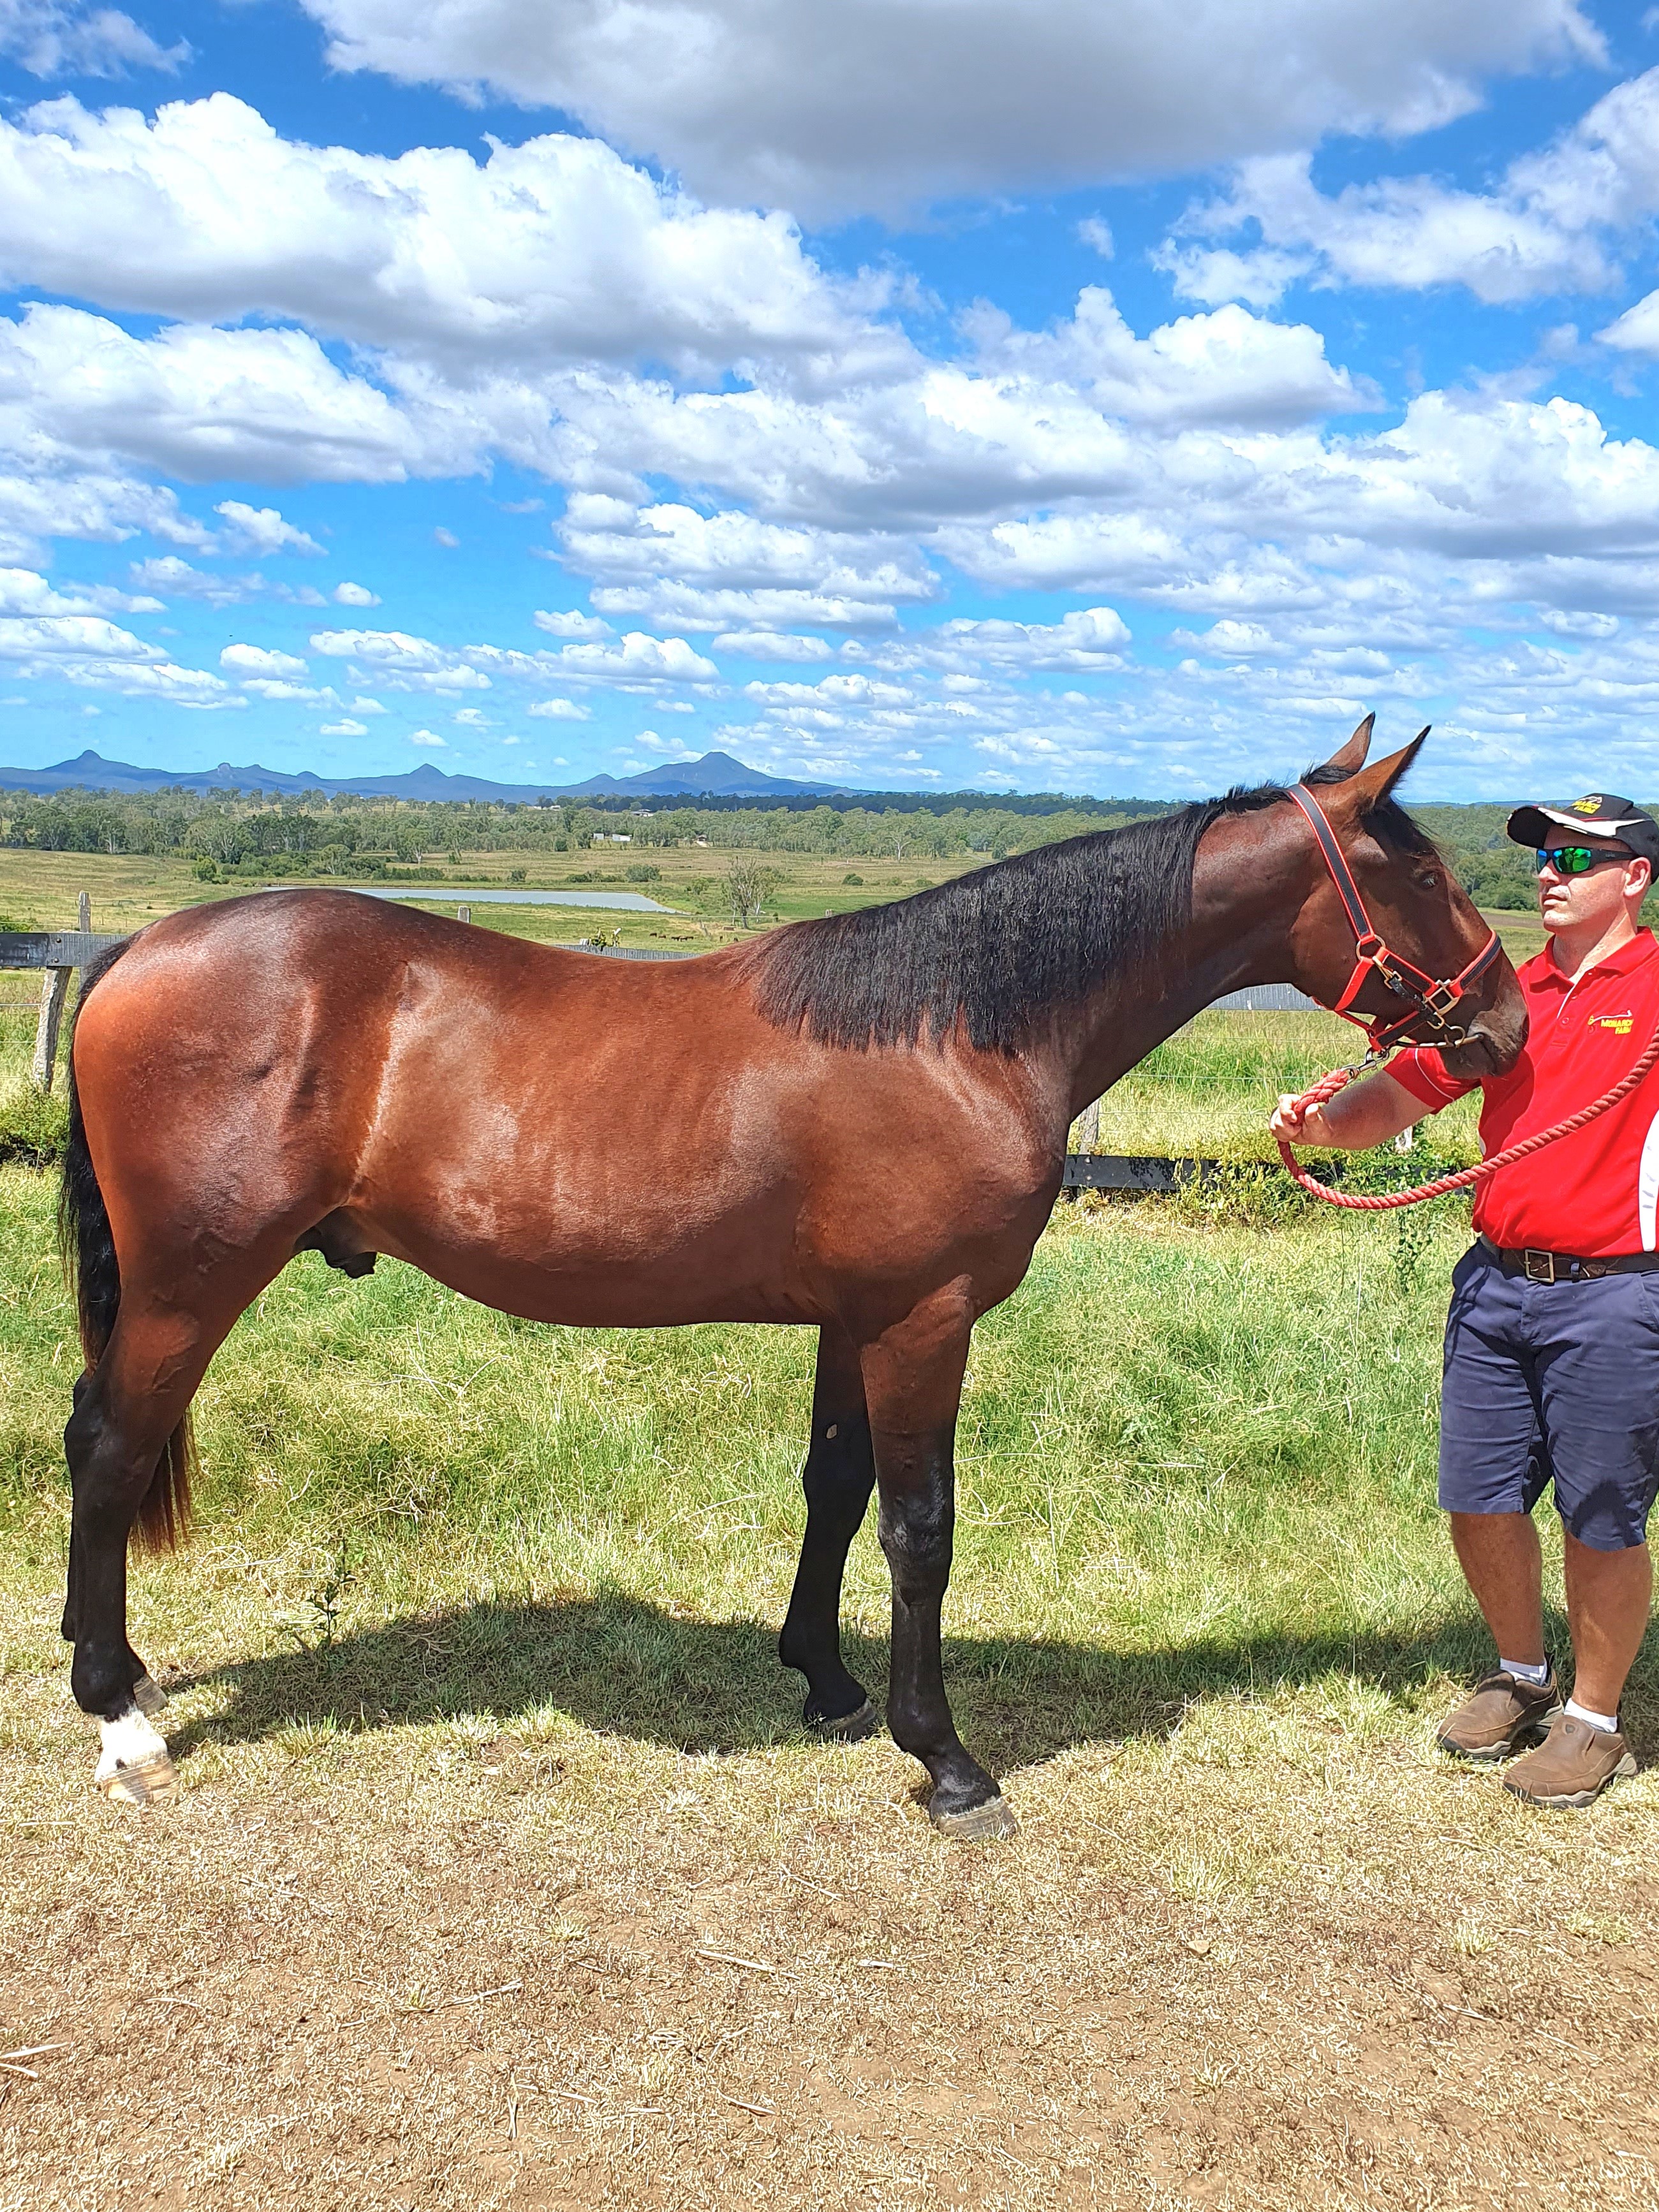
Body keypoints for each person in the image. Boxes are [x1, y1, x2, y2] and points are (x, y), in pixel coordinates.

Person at [1271, 793, 1659, 1809]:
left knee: (1600, 1513)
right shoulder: (1503, 997)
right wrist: (1319, 1125)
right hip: (1493, 1283)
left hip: (1615, 1295)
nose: (1547, 873)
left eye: (1575, 858)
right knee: (1477, 1495)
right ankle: (1520, 1674)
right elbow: (1396, 1096)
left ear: (1633, 877)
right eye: (1542, 856)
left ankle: (1592, 1720)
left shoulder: (1656, 989)